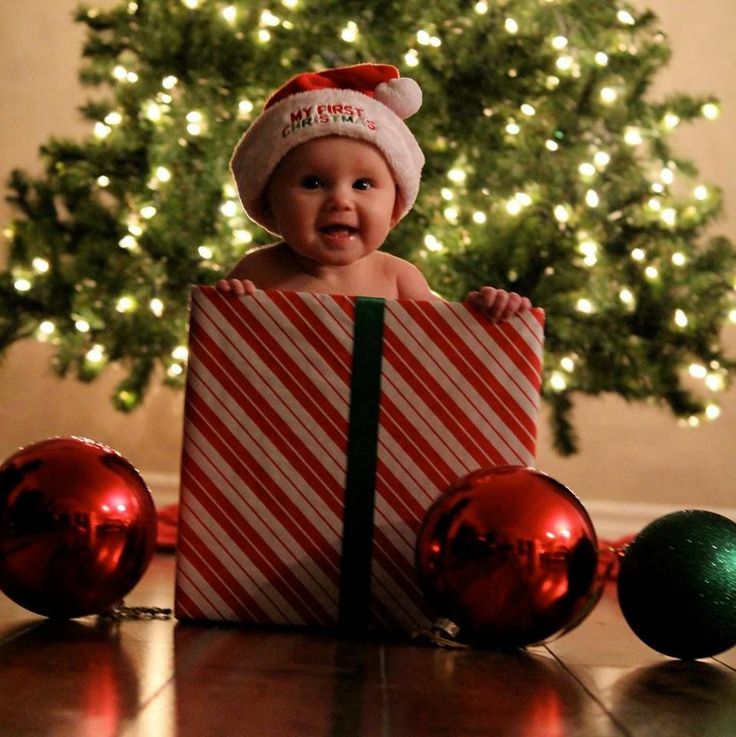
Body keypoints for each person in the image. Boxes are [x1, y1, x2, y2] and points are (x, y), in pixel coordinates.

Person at [218, 63, 531, 322]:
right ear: (270, 201)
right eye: (312, 183)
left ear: (395, 206)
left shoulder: (398, 280)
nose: (340, 201)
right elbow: (221, 354)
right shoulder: (256, 273)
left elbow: (446, 348)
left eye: (362, 185)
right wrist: (229, 305)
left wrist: (487, 313)